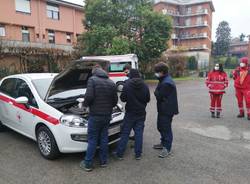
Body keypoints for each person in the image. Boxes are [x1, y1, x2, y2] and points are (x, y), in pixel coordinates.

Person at [80, 66, 118, 172]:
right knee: (104, 138)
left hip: (95, 115)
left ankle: (87, 164)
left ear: (94, 72)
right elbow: (115, 101)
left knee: (92, 140)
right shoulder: (111, 82)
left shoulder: (92, 80)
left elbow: (89, 97)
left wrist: (84, 105)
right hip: (107, 116)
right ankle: (103, 161)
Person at [115, 69, 150, 160]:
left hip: (130, 112)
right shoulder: (144, 84)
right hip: (141, 112)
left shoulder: (127, 84)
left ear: (131, 75)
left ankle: (119, 154)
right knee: (139, 133)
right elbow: (148, 98)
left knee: (125, 133)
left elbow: (123, 99)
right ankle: (138, 154)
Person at [153, 62, 179, 158]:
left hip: (167, 109)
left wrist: (156, 92)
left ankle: (167, 148)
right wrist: (157, 92)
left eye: (157, 72)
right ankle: (163, 143)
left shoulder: (166, 83)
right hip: (163, 108)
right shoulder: (163, 79)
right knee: (160, 126)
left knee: (166, 128)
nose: (155, 74)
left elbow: (159, 95)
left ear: (162, 72)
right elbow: (159, 93)